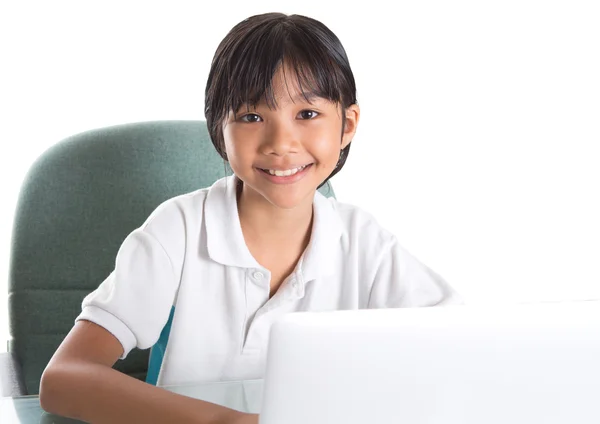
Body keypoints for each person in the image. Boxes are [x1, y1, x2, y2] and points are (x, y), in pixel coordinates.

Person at [39, 12, 462, 424]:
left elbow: (461, 346)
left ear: (347, 124)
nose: (281, 144)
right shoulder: (178, 231)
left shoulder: (364, 242)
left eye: (307, 114)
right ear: (219, 131)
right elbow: (63, 379)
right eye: (252, 117)